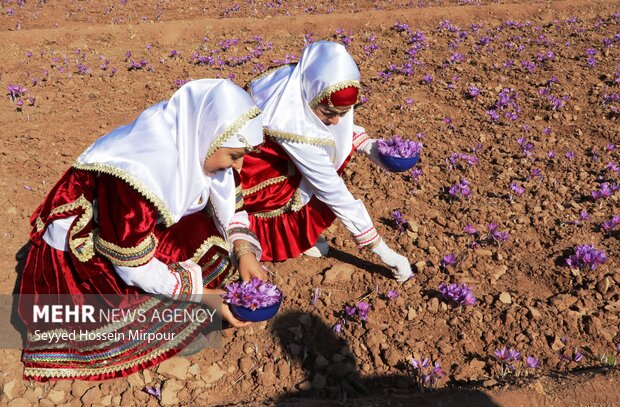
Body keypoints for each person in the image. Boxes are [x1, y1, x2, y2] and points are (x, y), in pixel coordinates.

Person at [18, 79, 267, 381]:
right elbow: (131, 265)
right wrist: (201, 294)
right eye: (234, 155)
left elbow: (230, 207)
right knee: (124, 315)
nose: (238, 166)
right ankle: (172, 326)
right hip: (92, 245)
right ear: (209, 137)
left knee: (212, 245)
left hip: (135, 228)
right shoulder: (136, 175)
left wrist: (244, 252)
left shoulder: (197, 142)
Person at [240, 41, 412, 282]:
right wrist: (384, 252)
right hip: (252, 178)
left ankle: (301, 237)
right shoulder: (291, 125)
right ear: (314, 94)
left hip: (277, 159)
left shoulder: (303, 80)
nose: (336, 121)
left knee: (326, 161)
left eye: (343, 113)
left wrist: (371, 147)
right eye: (329, 113)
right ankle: (284, 239)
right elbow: (332, 190)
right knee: (319, 182)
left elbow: (330, 127)